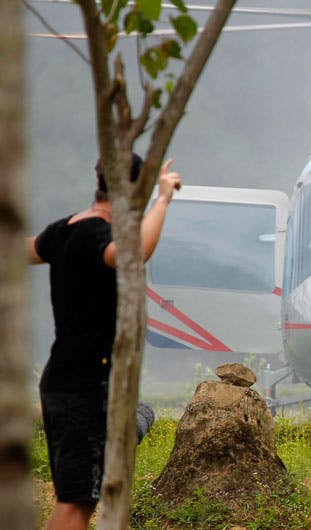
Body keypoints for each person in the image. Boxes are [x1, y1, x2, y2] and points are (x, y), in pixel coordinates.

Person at [26, 154, 182, 530]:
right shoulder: (97, 233)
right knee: (76, 505)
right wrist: (162, 200)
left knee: (78, 500)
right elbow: (133, 253)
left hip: (62, 380)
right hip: (83, 387)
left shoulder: (63, 230)